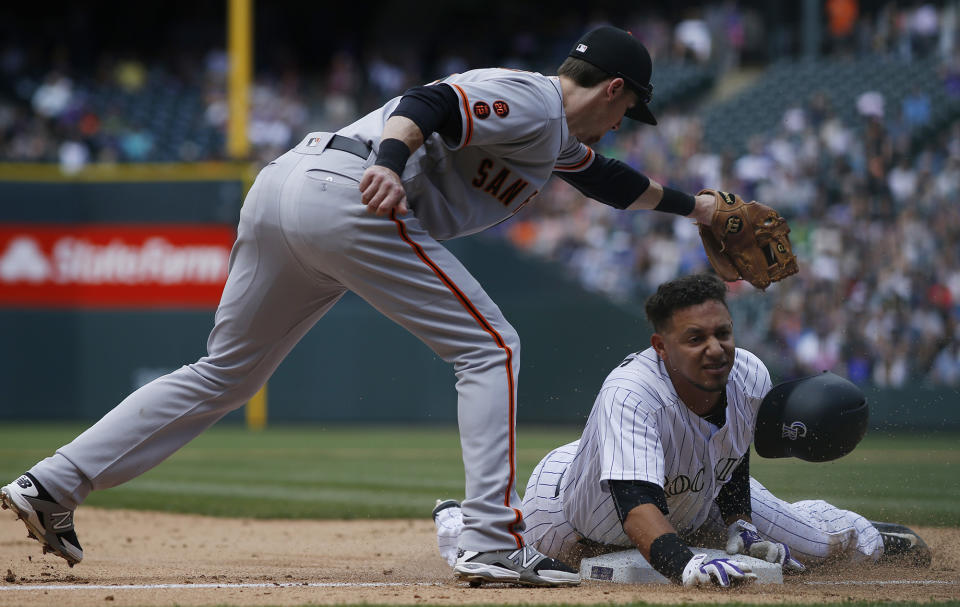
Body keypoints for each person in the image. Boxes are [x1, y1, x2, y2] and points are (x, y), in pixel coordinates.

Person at [0, 26, 729, 588]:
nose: (625, 122)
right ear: (615, 90)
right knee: (492, 347)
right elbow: (431, 101)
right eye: (631, 107)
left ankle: (51, 484)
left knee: (223, 373)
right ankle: (490, 539)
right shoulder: (534, 98)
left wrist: (694, 207)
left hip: (287, 187)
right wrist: (386, 164)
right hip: (351, 190)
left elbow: (605, 178)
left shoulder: (552, 136)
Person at [433, 273, 932, 588]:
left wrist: (739, 523)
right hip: (572, 515)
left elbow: (733, 454)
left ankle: (871, 537)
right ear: (662, 347)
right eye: (695, 339)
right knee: (509, 564)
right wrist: (685, 563)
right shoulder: (632, 392)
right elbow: (636, 510)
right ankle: (459, 523)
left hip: (697, 493)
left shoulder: (750, 373)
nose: (715, 348)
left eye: (722, 333)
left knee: (819, 549)